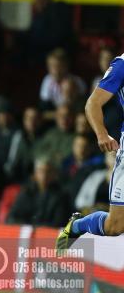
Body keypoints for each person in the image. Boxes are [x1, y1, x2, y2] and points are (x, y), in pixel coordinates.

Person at [57, 51, 124, 250]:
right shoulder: (121, 65)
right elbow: (92, 103)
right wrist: (102, 134)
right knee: (115, 226)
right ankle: (77, 226)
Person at [8, 158, 72, 227]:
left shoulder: (62, 196)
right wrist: (28, 228)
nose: (44, 175)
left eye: (48, 171)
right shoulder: (26, 192)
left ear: (55, 174)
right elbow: (11, 218)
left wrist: (35, 229)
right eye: (41, 171)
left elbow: (58, 224)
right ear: (35, 173)